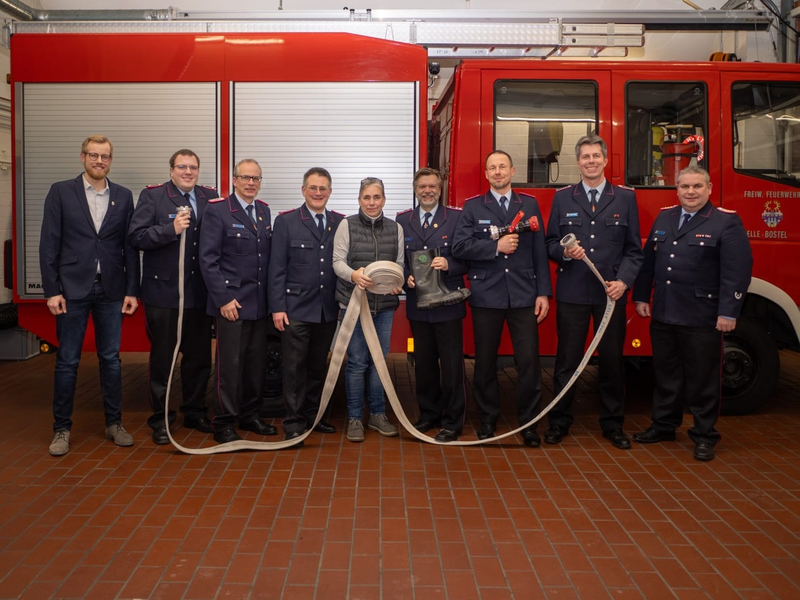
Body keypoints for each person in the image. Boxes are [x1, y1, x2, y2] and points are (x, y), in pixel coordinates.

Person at [632, 166, 752, 461]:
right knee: (666, 374)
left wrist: (728, 312)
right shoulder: (666, 216)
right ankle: (664, 425)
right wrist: (641, 296)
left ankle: (704, 435)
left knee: (703, 379)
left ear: (709, 188)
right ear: (677, 190)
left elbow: (737, 273)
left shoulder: (726, 222)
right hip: (664, 311)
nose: (690, 192)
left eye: (697, 186)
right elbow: (649, 262)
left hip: (702, 315)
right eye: (684, 186)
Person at [40, 135, 140, 457]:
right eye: (94, 155)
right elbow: (48, 244)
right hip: (72, 290)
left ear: (111, 160)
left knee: (111, 359)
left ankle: (115, 424)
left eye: (105, 156)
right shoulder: (60, 191)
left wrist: (131, 290)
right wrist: (52, 290)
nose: (100, 161)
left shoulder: (123, 196)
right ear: (82, 157)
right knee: (67, 361)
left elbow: (130, 247)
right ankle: (61, 429)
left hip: (111, 290)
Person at [544, 135, 643, 449]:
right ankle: (559, 422)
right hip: (573, 292)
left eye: (595, 156)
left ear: (605, 161)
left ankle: (613, 425)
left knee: (613, 361)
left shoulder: (625, 198)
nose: (590, 161)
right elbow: (549, 243)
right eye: (585, 156)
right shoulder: (563, 198)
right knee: (567, 361)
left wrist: (623, 282)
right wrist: (563, 253)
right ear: (578, 162)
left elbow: (634, 250)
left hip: (610, 295)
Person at [452, 150, 552, 447]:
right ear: (486, 174)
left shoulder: (529, 204)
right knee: (484, 363)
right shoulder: (472, 207)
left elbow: (539, 252)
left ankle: (530, 425)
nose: (497, 172)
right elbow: (460, 246)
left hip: (524, 295)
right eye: (492, 168)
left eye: (502, 167)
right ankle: (487, 421)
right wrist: (495, 247)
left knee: (529, 363)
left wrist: (543, 292)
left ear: (512, 170)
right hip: (487, 295)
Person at [128, 149, 218, 445]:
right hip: (165, 295)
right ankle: (161, 419)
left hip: (198, 296)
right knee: (164, 359)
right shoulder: (153, 197)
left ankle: (194, 411)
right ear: (171, 170)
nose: (188, 172)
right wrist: (170, 229)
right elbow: (136, 237)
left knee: (199, 359)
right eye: (182, 167)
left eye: (193, 167)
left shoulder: (209, 197)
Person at [199, 159, 277, 444]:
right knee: (229, 367)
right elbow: (208, 260)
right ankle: (224, 422)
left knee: (255, 366)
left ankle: (250, 414)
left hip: (258, 304)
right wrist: (223, 299)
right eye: (245, 177)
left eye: (256, 178)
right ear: (234, 180)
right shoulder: (218, 211)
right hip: (232, 304)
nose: (251, 183)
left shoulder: (264, 211)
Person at [269, 167, 342, 442]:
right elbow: (276, 268)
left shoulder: (339, 222)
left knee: (316, 367)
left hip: (325, 308)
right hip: (295, 308)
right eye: (313, 187)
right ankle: (294, 422)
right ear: (303, 190)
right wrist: (278, 307)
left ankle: (314, 417)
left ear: (330, 192)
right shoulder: (287, 222)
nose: (318, 193)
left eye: (323, 188)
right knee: (294, 368)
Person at [396, 168, 468, 443]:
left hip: (448, 304)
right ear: (415, 189)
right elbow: (397, 260)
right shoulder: (403, 220)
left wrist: (451, 264)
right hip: (418, 306)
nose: (427, 190)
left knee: (451, 366)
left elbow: (469, 258)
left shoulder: (457, 218)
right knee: (423, 365)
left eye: (432, 186)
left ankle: (453, 421)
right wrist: (405, 277)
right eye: (422, 186)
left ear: (440, 189)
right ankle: (429, 414)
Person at [332, 177, 404, 443]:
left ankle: (377, 415)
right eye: (367, 197)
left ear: (383, 199)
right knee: (357, 363)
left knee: (378, 362)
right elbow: (337, 262)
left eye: (376, 197)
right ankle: (354, 418)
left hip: (384, 307)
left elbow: (399, 264)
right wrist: (353, 275)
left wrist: (397, 284)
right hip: (354, 304)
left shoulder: (395, 228)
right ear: (359, 199)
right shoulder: (346, 225)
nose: (372, 202)